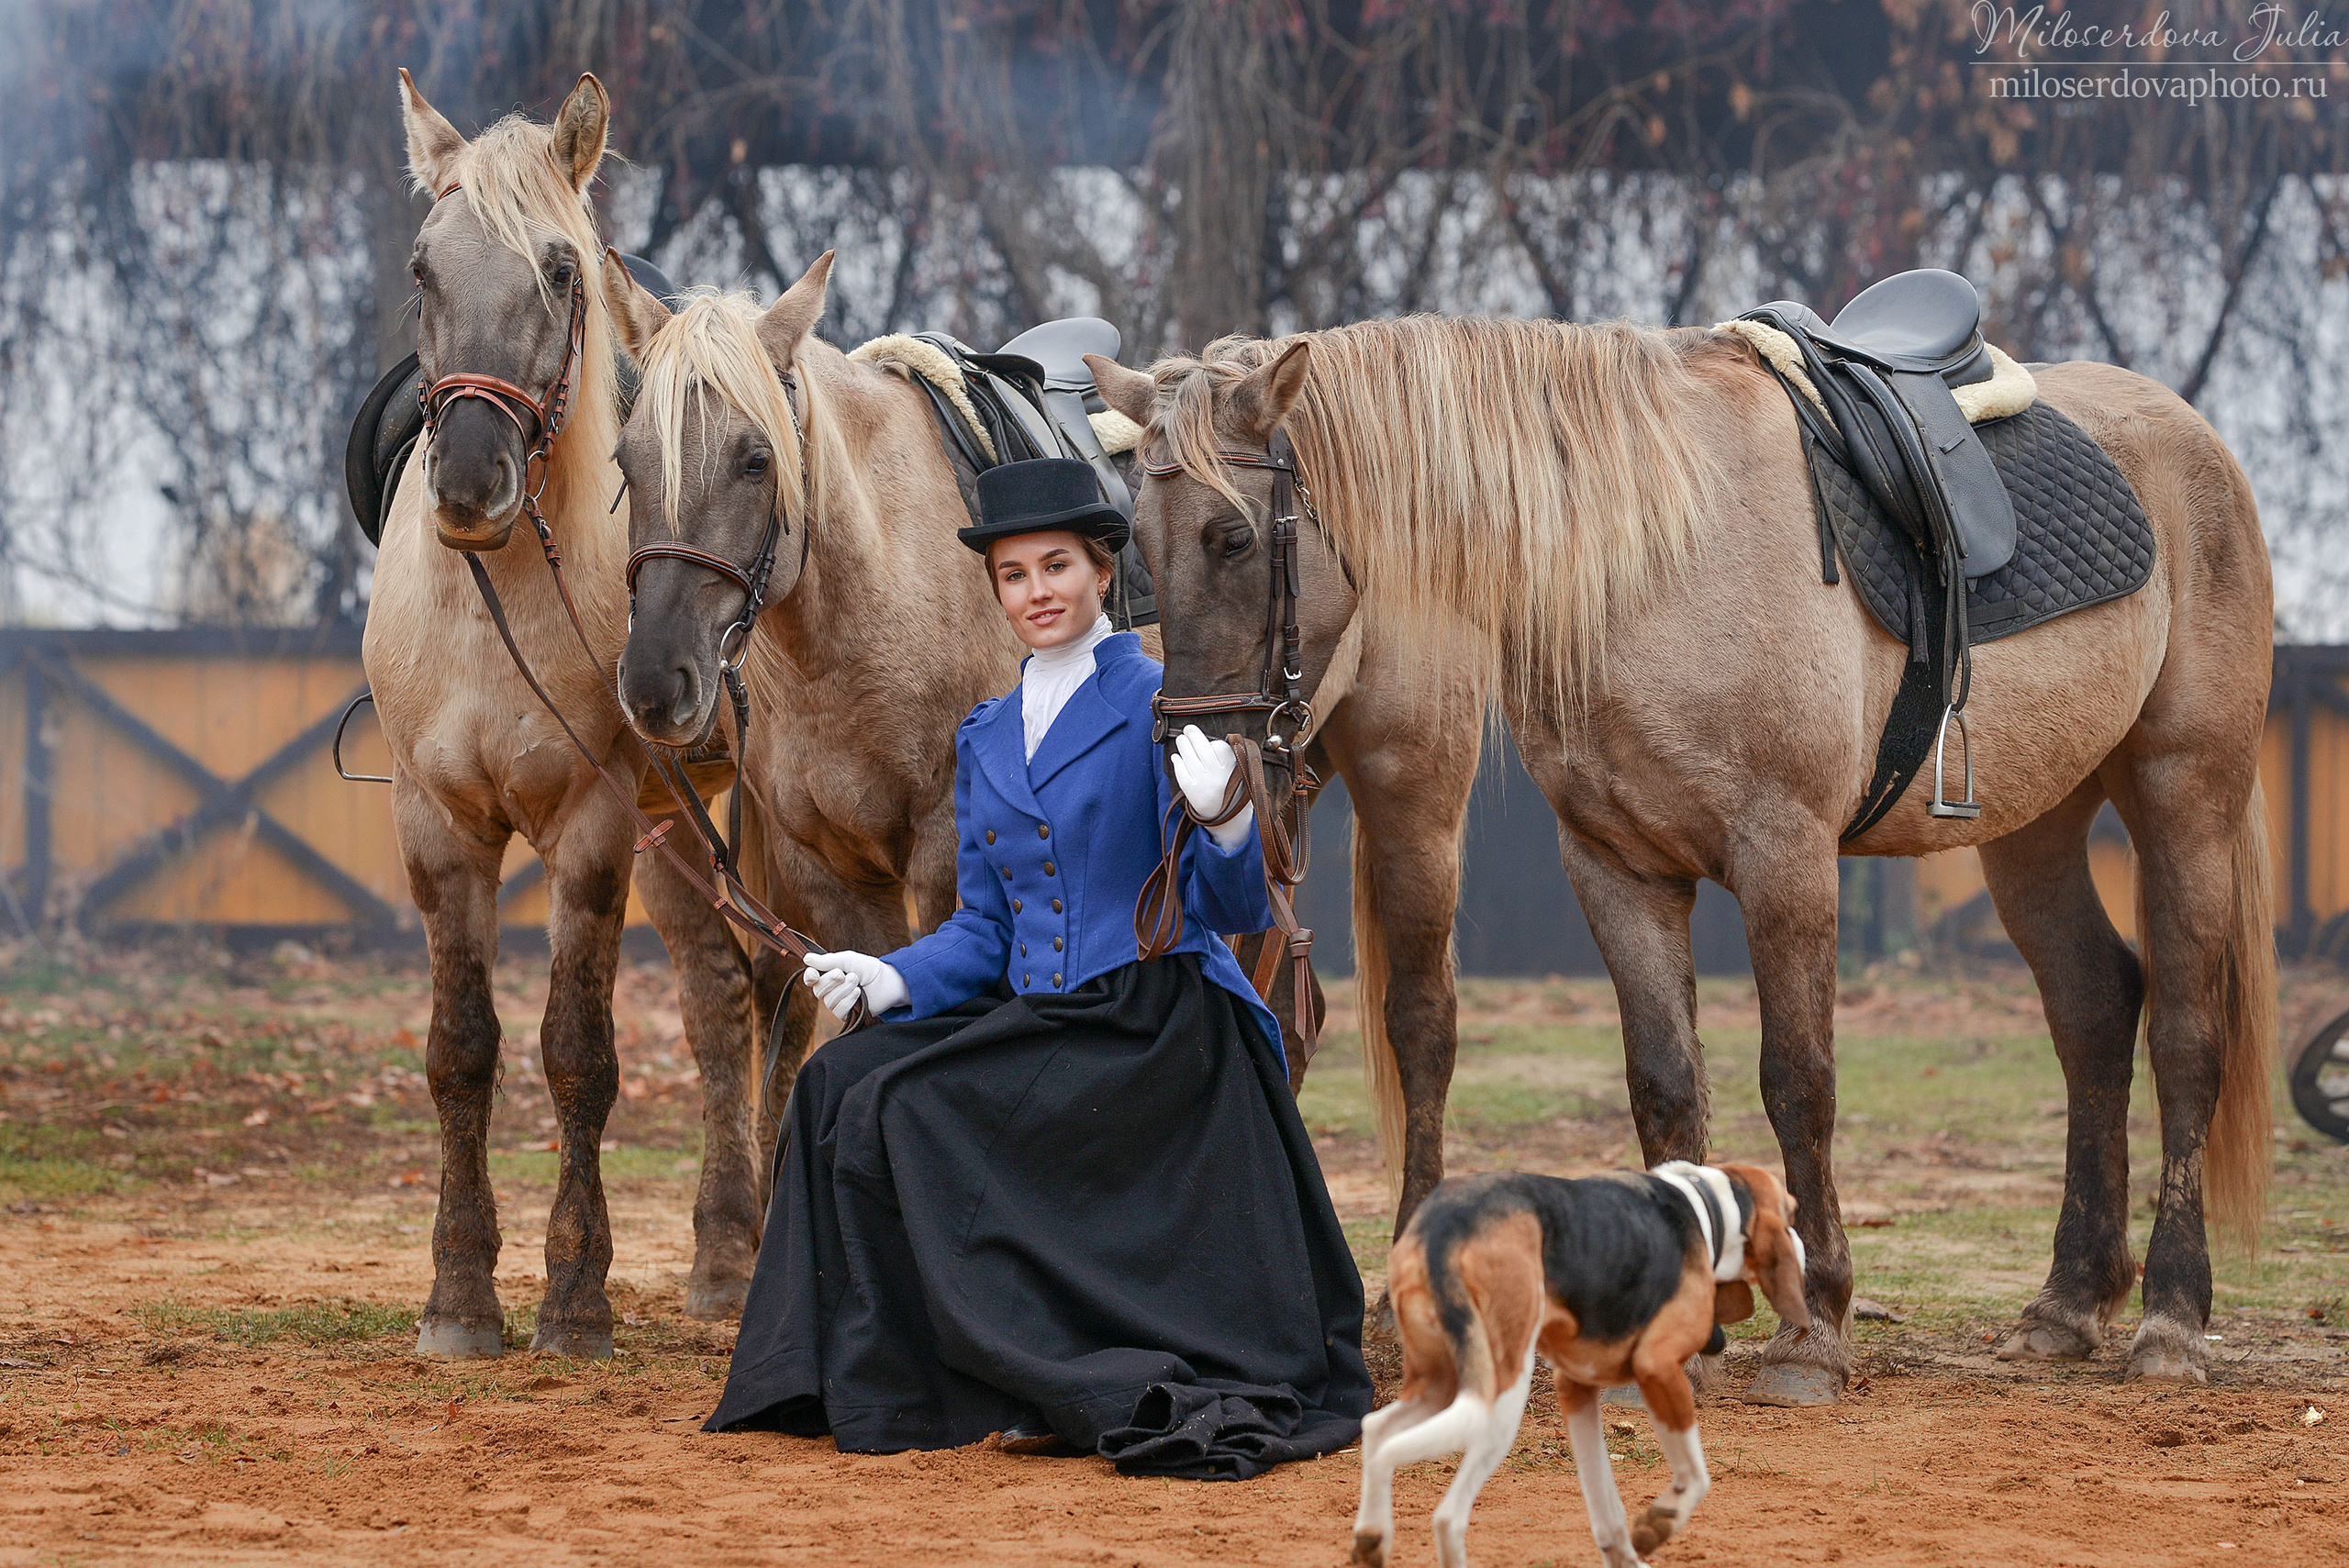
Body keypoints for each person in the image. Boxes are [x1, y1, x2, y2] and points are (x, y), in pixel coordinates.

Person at [703, 457, 1370, 1480]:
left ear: (1102, 571)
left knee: (909, 1109)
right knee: (838, 1080)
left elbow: (1230, 910)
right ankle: (845, 1372)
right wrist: (889, 977)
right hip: (1044, 1011)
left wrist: (1230, 819)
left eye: (1056, 566)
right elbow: (983, 926)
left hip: (1156, 1019)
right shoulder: (985, 733)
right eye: (1014, 575)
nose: (1037, 592)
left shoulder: (1159, 698)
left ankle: (1021, 1367)